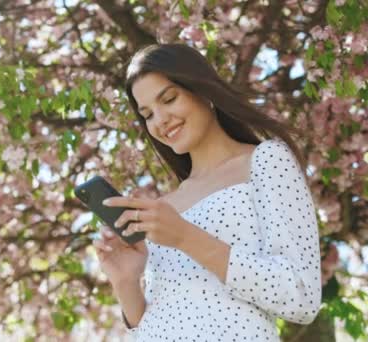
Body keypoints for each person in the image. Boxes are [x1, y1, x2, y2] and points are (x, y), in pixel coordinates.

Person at [92, 43, 321, 341]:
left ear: (203, 91)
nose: (160, 120)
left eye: (169, 99)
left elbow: (302, 298)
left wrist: (186, 237)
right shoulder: (166, 205)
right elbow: (157, 326)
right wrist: (125, 283)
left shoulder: (265, 160)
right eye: (147, 114)